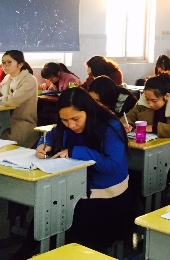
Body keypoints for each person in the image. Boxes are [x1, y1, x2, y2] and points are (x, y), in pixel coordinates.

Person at [36, 88, 132, 250]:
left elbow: (112, 165)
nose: (71, 125)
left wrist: (76, 152)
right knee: (46, 213)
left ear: (88, 110)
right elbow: (50, 135)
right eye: (65, 120)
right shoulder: (66, 125)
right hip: (74, 191)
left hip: (106, 196)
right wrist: (44, 145)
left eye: (76, 119)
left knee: (66, 221)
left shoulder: (110, 126)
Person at [122, 73, 170, 176]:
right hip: (149, 150)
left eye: (154, 101)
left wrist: (154, 128)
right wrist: (126, 124)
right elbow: (129, 116)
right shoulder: (144, 102)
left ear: (166, 96)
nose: (150, 104)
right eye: (147, 99)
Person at [0, 50, 39, 148]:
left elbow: (13, 100)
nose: (5, 66)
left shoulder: (29, 80)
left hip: (22, 124)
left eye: (9, 62)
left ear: (20, 64)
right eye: (3, 63)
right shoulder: (8, 77)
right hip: (4, 121)